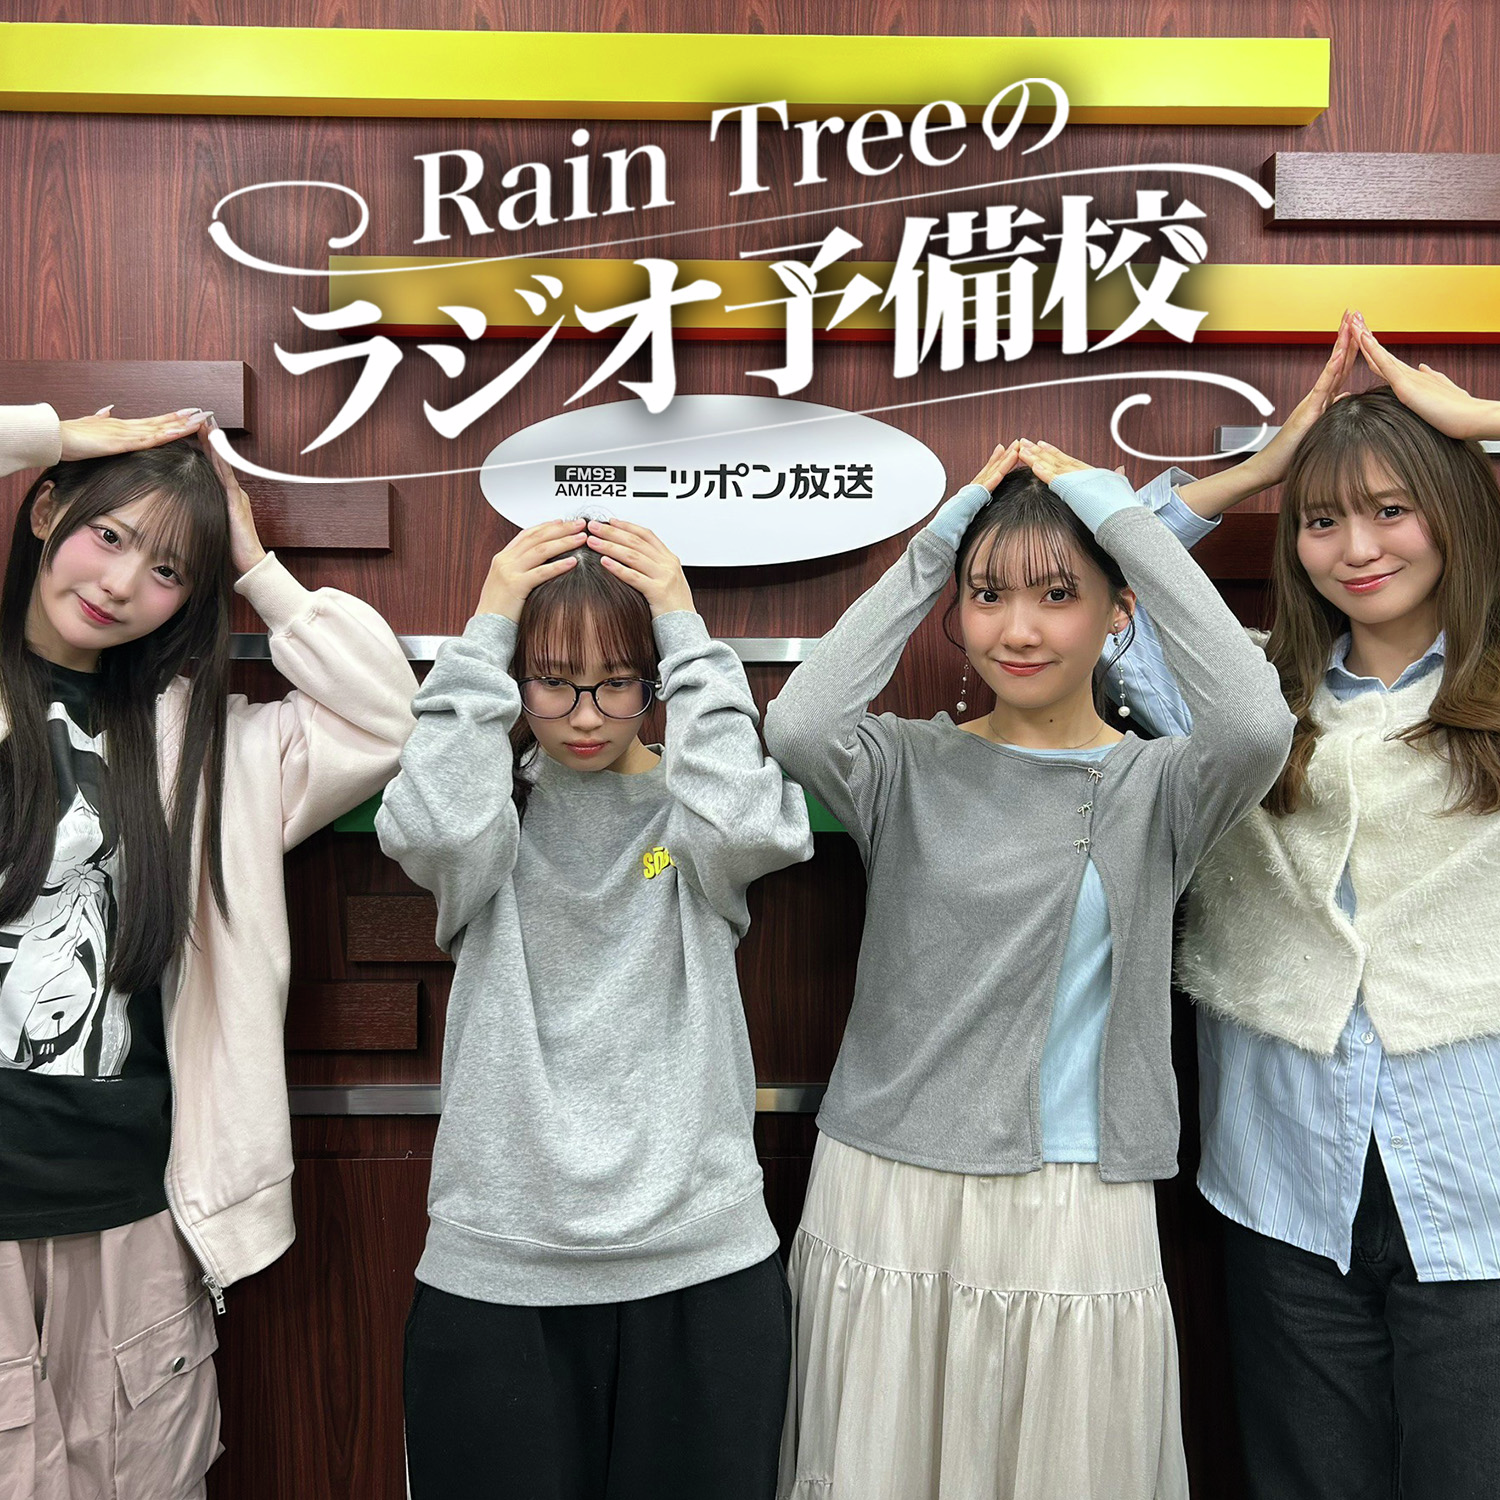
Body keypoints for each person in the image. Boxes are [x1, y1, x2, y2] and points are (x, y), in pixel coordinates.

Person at [764, 440, 1294, 1500]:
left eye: (1059, 595)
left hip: (1078, 1189)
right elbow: (801, 721)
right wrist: (941, 541)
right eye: (988, 595)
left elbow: (1254, 721)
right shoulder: (906, 763)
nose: (1018, 629)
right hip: (890, 1181)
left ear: (1117, 612)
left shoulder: (1163, 784)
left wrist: (1119, 517)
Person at [1112, 312, 1500, 1500]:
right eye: (1323, 520)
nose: (1356, 548)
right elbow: (1097, 574)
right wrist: (1265, 465)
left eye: (1392, 509)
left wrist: (1478, 423)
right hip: (1284, 1180)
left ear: (1456, 515)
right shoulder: (1245, 697)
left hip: (1481, 1186)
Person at [0, 401, 418, 1500]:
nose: (120, 583)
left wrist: (255, 564)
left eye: (167, 569)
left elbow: (387, 719)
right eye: (107, 534)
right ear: (46, 513)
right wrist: (54, 438)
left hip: (131, 1211)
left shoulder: (205, 748)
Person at [376, 515, 814, 1500]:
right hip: (499, 1268)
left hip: (701, 1261)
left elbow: (748, 822)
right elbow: (433, 826)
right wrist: (490, 621)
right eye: (553, 681)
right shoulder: (492, 824)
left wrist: (684, 626)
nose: (585, 714)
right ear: (516, 680)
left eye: (618, 681)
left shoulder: (688, 828)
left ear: (654, 684)